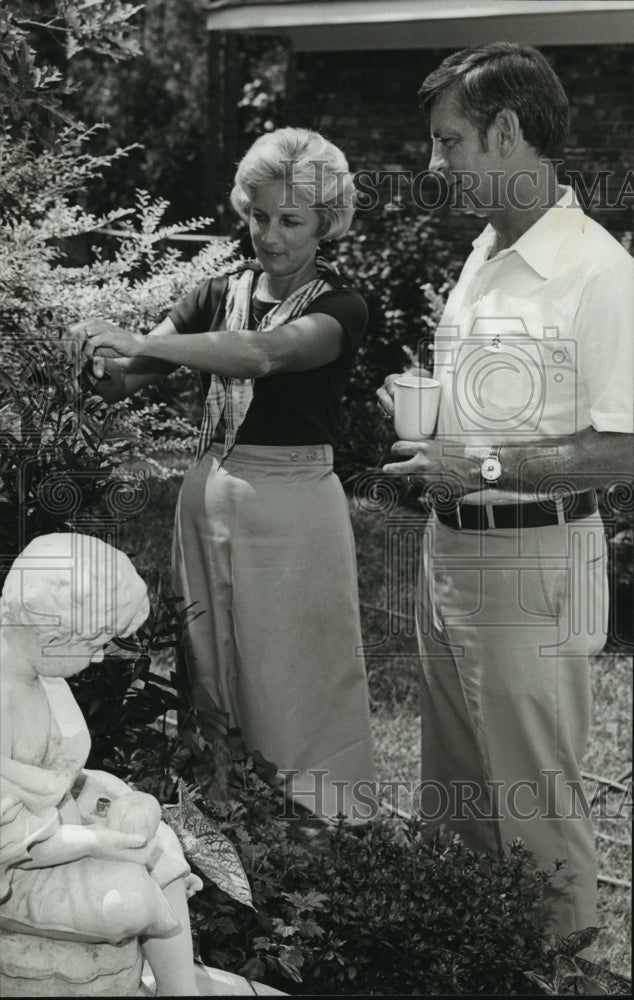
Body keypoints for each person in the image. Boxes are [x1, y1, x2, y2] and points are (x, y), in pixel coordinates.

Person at [377, 42, 633, 939]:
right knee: (455, 792)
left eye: (449, 142)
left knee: (534, 794)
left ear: (509, 132)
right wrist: (430, 419)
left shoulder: (599, 272)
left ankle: (565, 959)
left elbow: (625, 446)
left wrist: (480, 467)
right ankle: (477, 955)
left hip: (534, 559)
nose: (434, 165)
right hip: (452, 552)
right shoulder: (487, 252)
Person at [76, 127, 376, 821]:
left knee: (294, 673)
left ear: (326, 223)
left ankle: (316, 827)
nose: (269, 235)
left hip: (295, 510)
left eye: (290, 220)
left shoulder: (342, 307)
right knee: (207, 670)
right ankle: (222, 823)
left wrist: (145, 340)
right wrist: (99, 359)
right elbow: (127, 379)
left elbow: (264, 354)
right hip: (206, 503)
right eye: (257, 215)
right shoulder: (215, 295)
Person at [0, 532, 202, 996]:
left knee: (160, 842)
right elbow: (13, 840)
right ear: (53, 637)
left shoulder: (40, 674)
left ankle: (181, 990)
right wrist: (98, 841)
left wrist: (119, 799)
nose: (96, 658)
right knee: (128, 898)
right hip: (20, 872)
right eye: (95, 644)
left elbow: (60, 775)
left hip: (66, 834)